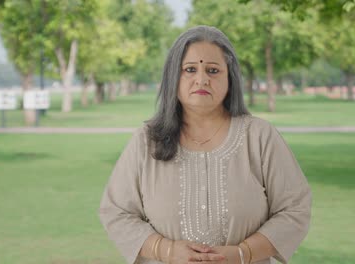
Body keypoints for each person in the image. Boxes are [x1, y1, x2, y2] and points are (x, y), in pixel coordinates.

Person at [99, 25, 311, 264]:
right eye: (190, 69)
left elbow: (295, 209)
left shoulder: (259, 137)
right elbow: (116, 212)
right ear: (173, 78)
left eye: (213, 70)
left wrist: (244, 253)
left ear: (229, 78)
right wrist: (165, 250)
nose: (202, 79)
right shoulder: (147, 141)